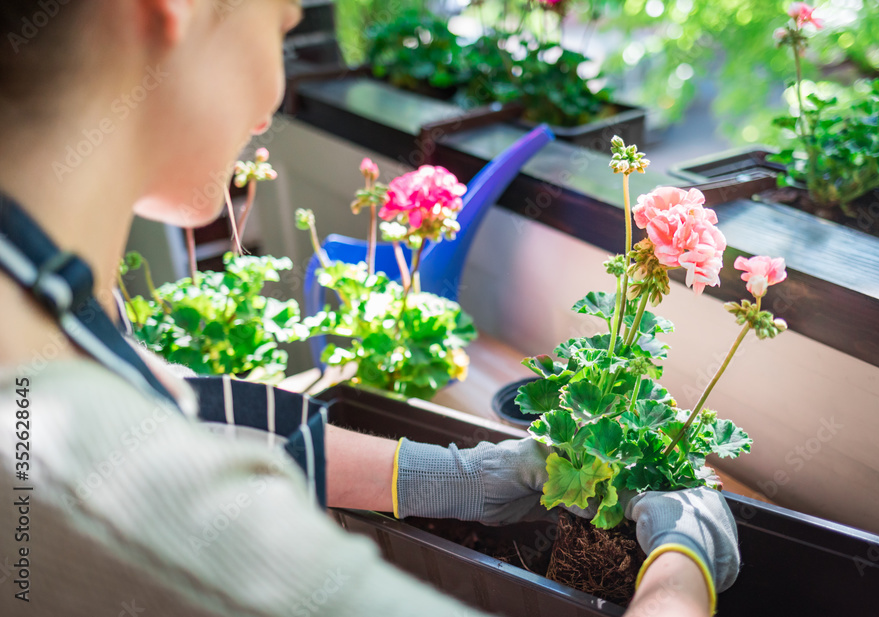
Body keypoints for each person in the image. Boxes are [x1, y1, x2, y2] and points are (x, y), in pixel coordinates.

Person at [0, 1, 740, 616]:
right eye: (283, 25)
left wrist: (451, 476)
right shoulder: (83, 485)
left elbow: (181, 414)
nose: (275, 94)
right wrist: (682, 568)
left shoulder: (46, 300)